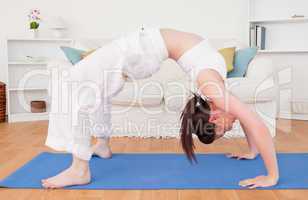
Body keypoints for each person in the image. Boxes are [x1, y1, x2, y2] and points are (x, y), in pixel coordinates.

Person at [42, 27, 279, 189]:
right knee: (86, 87)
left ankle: (79, 168)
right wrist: (270, 173)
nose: (232, 125)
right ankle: (100, 146)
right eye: (226, 130)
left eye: (226, 130)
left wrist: (253, 152)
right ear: (215, 117)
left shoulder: (215, 92)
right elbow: (254, 121)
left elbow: (250, 120)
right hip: (143, 47)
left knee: (74, 84)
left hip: (143, 49)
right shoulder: (216, 91)